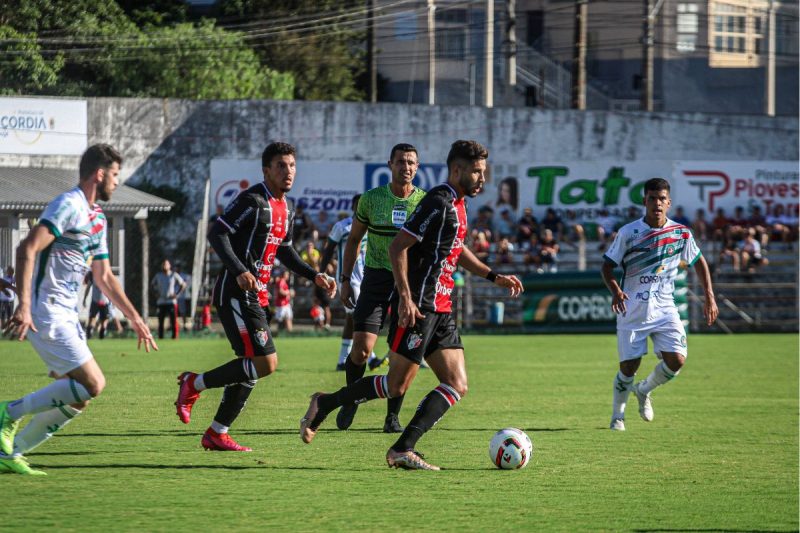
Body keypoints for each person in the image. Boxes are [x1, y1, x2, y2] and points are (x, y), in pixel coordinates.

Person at [299, 140, 524, 470]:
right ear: (457, 170)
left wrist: (493, 276)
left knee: (457, 383)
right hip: (421, 305)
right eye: (477, 172)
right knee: (395, 385)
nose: (482, 179)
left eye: (484, 172)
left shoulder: (459, 205)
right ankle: (325, 403)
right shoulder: (438, 200)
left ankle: (403, 447)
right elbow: (398, 248)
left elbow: (457, 249)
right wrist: (405, 298)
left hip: (441, 308)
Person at [0, 144, 156, 475]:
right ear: (99, 174)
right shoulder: (68, 205)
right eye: (115, 175)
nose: (117, 182)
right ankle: (7, 415)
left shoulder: (96, 217)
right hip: (47, 311)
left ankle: (11, 453)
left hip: (68, 315)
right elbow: (26, 247)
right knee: (93, 384)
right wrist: (25, 306)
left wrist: (135, 318)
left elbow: (104, 276)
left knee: (78, 397)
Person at [174, 142, 336, 452]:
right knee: (265, 363)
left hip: (256, 296)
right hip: (235, 293)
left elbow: (284, 251)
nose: (288, 171)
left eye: (291, 165)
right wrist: (238, 269)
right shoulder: (253, 200)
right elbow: (216, 233)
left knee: (253, 364)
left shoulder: (284, 206)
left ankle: (217, 432)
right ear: (266, 170)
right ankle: (193, 384)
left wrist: (313, 274)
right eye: (280, 166)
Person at [602, 177, 718, 432]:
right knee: (629, 367)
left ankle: (644, 390)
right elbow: (607, 266)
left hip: (665, 307)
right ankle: (617, 417)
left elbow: (699, 261)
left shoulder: (681, 233)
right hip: (632, 308)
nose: (657, 203)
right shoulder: (629, 232)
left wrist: (709, 295)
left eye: (661, 199)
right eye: (652, 198)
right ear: (644, 201)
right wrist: (616, 290)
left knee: (677, 359)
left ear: (669, 202)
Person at [330, 143, 427, 434]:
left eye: (411, 162)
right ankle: (351, 399)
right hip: (375, 278)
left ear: (417, 167)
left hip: (408, 285)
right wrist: (345, 279)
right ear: (390, 164)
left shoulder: (424, 202)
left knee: (400, 354)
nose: (405, 167)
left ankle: (392, 417)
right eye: (400, 162)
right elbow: (353, 240)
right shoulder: (371, 200)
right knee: (361, 350)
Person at [319, 194, 369, 371]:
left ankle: (342, 361)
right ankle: (370, 358)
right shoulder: (342, 227)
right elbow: (328, 250)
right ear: (354, 207)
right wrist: (321, 272)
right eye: (359, 205)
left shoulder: (371, 227)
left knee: (353, 317)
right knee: (357, 315)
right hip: (347, 279)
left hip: (366, 278)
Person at [151, 259, 186, 339]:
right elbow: (152, 285)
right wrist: (156, 294)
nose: (165, 266)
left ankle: (174, 337)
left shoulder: (173, 275)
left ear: (169, 266)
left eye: (166, 264)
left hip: (171, 301)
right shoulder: (158, 275)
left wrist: (177, 294)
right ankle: (161, 337)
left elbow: (183, 284)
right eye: (163, 264)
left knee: (173, 321)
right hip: (161, 301)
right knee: (161, 321)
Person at [83, 271, 111, 339]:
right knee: (105, 319)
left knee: (92, 317)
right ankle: (103, 331)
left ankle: (90, 331)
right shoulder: (107, 274)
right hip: (105, 300)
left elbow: (88, 287)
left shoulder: (93, 274)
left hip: (95, 300)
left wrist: (84, 298)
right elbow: (111, 288)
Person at [272, 269, 293, 334]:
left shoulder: (284, 282)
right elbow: (280, 292)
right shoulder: (281, 281)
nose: (288, 276)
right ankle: (276, 332)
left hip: (286, 304)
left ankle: (290, 333)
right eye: (287, 274)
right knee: (279, 319)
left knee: (288, 318)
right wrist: (289, 292)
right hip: (281, 304)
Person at [174, 265, 192, 332]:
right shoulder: (172, 275)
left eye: (177, 267)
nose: (176, 269)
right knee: (172, 311)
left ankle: (184, 326)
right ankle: (172, 325)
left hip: (181, 296)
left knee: (182, 312)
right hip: (172, 297)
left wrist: (179, 293)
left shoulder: (184, 275)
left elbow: (186, 284)